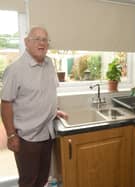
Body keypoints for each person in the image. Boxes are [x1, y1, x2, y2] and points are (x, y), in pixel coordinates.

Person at [1, 26, 68, 187]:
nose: (41, 43)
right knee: (28, 181)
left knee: (42, 179)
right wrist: (11, 135)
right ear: (26, 42)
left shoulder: (49, 63)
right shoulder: (15, 70)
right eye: (36, 39)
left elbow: (46, 93)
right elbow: (6, 104)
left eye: (45, 39)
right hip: (27, 138)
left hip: (48, 133)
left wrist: (54, 111)